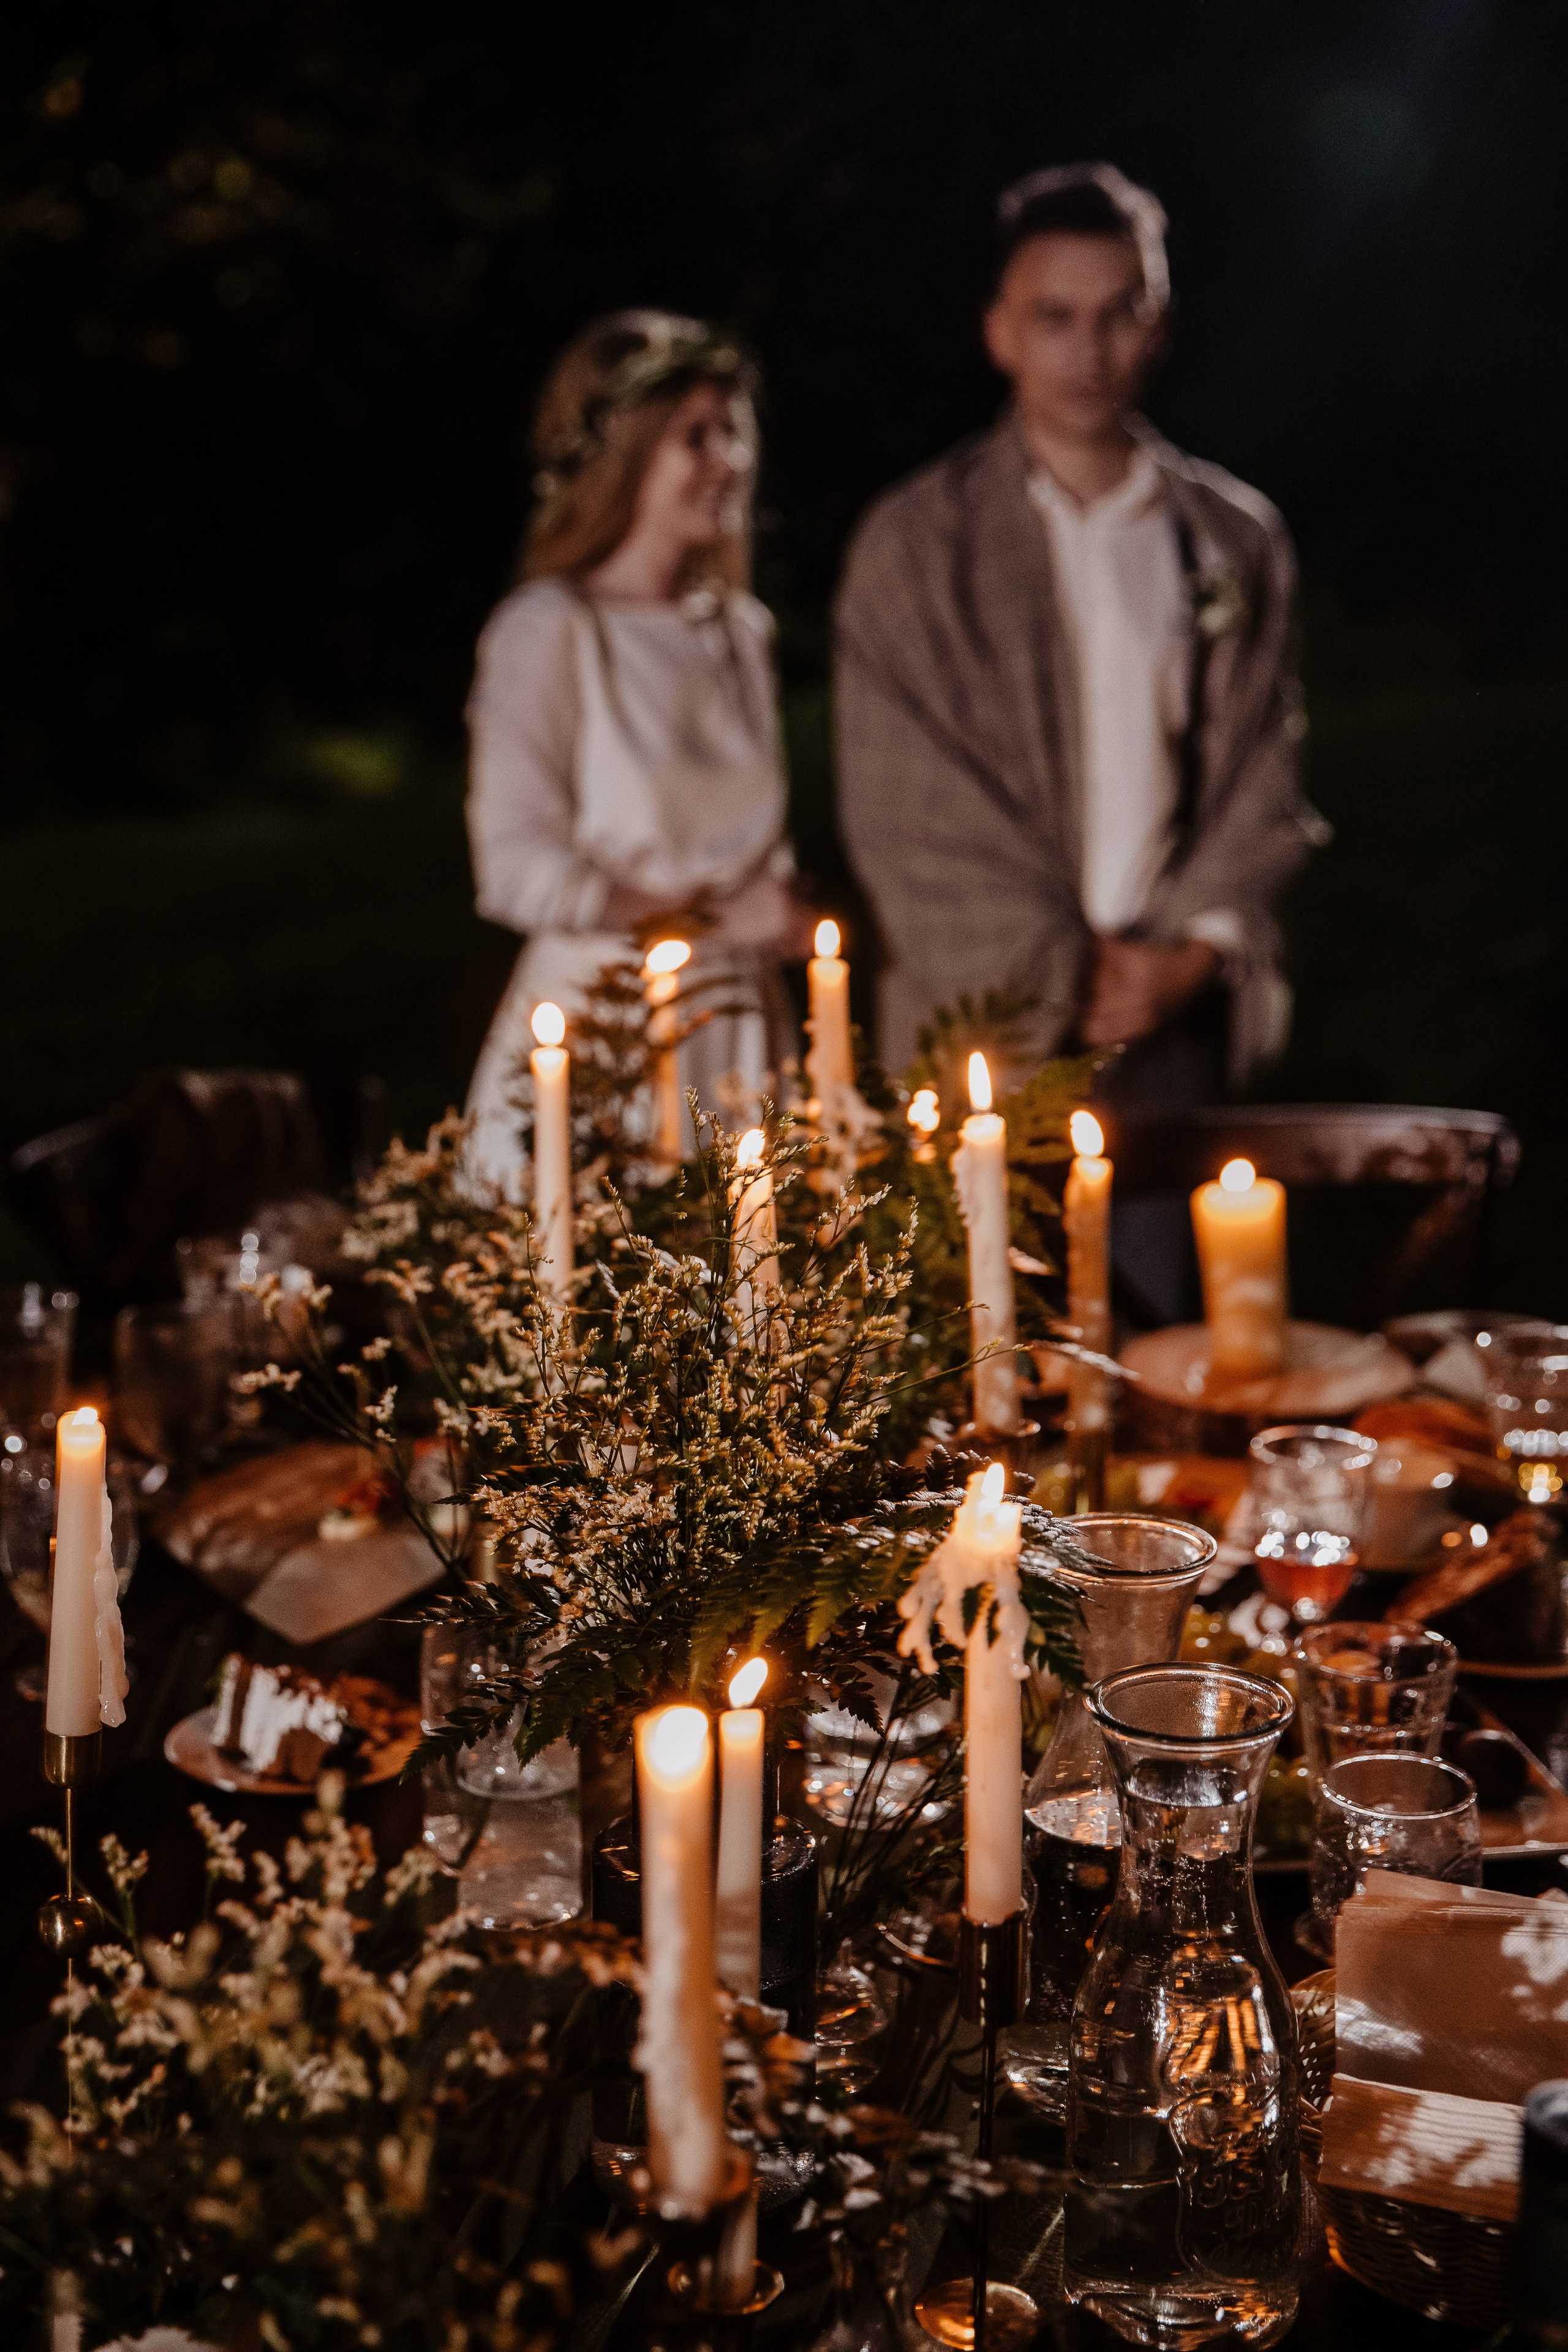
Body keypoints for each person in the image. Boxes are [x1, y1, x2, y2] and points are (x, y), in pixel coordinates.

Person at [835, 164, 1328, 1312]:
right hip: (987, 1017)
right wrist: (1065, 967)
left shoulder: (1230, 537)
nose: (1088, 348)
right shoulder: (915, 542)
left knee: (1171, 1358)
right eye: (1056, 317)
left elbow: (1263, 765)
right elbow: (904, 800)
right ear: (1001, 332)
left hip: (1165, 1021)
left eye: (1118, 313)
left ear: (1157, 324)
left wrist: (1192, 953)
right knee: (979, 1362)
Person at [464, 310, 808, 1195]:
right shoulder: (549, 631)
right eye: (695, 437)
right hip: (604, 1036)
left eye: (733, 430)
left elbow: (753, 846)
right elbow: (513, 865)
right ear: (624, 456)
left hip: (737, 1033)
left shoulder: (739, 632)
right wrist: (706, 922)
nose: (729, 459)